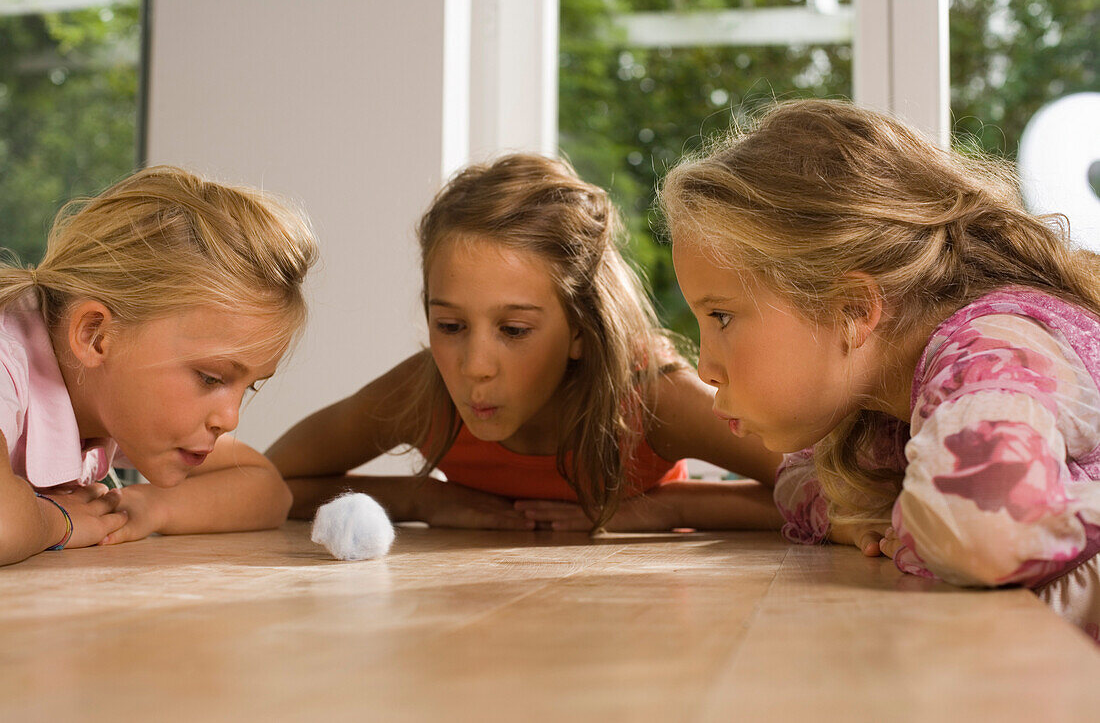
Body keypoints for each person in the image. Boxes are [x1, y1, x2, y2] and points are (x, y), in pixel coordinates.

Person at [662, 97, 1100, 638]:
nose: (705, 368)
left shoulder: (993, 350)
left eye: (722, 316)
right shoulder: (881, 406)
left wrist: (919, 516)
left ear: (852, 308)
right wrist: (677, 503)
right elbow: (805, 481)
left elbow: (984, 532)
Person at [269, 154, 780, 533]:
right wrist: (420, 498)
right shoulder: (423, 395)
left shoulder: (651, 398)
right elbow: (268, 482)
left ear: (580, 329)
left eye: (513, 330)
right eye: (450, 326)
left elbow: (830, 492)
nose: (474, 367)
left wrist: (670, 506)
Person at [0, 166, 318, 566]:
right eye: (211, 377)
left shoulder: (100, 398)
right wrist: (58, 521)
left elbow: (267, 488)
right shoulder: (6, 364)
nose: (230, 418)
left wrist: (149, 508)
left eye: (249, 386)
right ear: (95, 336)